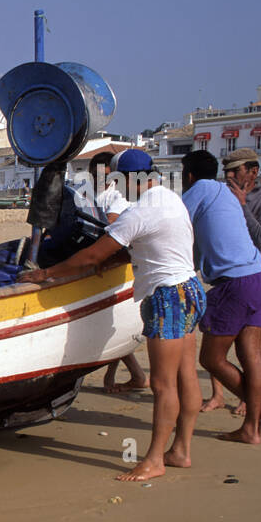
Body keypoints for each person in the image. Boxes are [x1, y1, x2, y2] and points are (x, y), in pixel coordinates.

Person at [19, 155, 204, 481]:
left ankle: (155, 460)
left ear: (131, 179)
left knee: (162, 385)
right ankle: (182, 451)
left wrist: (44, 274)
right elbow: (154, 243)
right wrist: (119, 255)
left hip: (167, 296)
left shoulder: (140, 212)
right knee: (186, 375)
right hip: (189, 288)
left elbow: (91, 255)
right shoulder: (169, 198)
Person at [179, 149, 261, 444]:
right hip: (259, 277)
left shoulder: (198, 191)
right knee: (251, 358)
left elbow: (174, 224)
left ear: (188, 176)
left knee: (211, 358)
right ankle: (251, 426)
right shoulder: (226, 194)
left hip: (234, 284)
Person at [201, 148, 261, 416]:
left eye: (236, 170)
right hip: (231, 275)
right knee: (220, 336)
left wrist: (242, 205)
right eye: (227, 171)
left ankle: (250, 403)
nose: (230, 176)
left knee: (252, 348)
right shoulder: (222, 195)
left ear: (253, 172)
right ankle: (219, 395)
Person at [93, 151, 148, 394]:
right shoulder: (93, 194)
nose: (101, 178)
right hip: (111, 259)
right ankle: (133, 375)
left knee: (112, 323)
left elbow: (113, 227)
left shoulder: (117, 197)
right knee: (111, 323)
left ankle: (115, 375)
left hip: (117, 263)